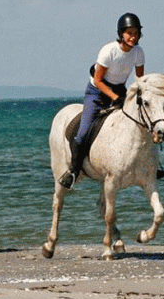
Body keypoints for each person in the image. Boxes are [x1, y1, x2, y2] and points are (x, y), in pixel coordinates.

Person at [59, 13, 145, 189]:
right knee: (82, 133)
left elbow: (139, 79)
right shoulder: (109, 51)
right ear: (121, 33)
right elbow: (98, 81)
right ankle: (73, 172)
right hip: (96, 93)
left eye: (136, 33)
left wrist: (139, 97)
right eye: (129, 33)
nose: (133, 37)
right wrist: (115, 98)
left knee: (143, 122)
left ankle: (151, 167)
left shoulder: (138, 52)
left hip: (120, 89)